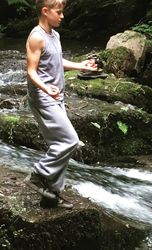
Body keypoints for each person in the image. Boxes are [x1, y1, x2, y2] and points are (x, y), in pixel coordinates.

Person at [25, 0, 97, 209]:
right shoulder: (36, 37)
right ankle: (39, 176)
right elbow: (31, 71)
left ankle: (50, 195)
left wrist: (80, 66)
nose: (62, 16)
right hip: (43, 97)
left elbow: (57, 62)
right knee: (70, 141)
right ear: (45, 11)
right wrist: (46, 88)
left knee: (60, 144)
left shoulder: (54, 35)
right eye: (59, 12)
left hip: (56, 97)